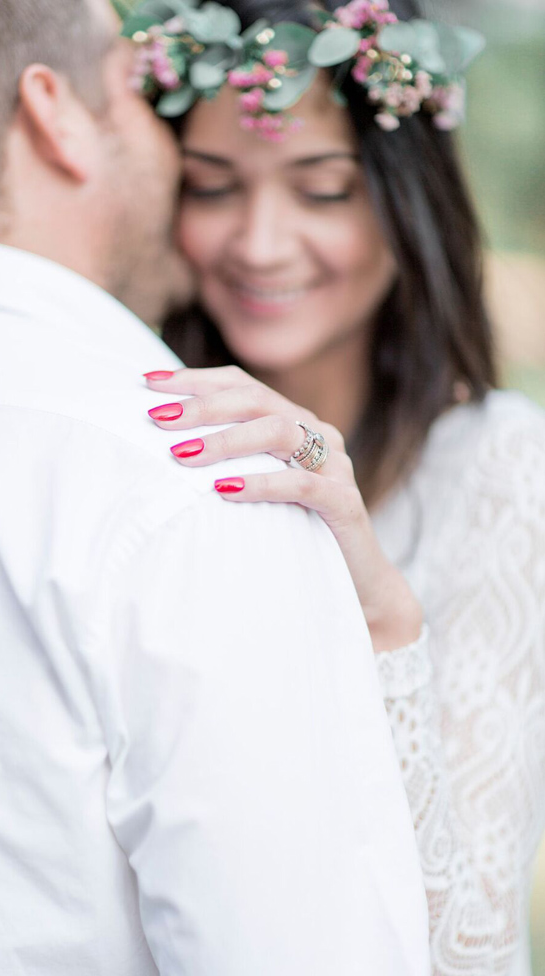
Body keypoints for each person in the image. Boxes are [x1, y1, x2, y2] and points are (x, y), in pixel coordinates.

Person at [0, 1, 431, 974]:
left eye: (318, 189)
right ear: (55, 113)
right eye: (139, 95)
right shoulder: (203, 464)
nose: (257, 242)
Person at [127, 0, 545, 973]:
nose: (260, 243)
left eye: (320, 191)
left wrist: (381, 611)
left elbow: (472, 951)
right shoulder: (126, 443)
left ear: (403, 210)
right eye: (210, 186)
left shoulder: (498, 471)